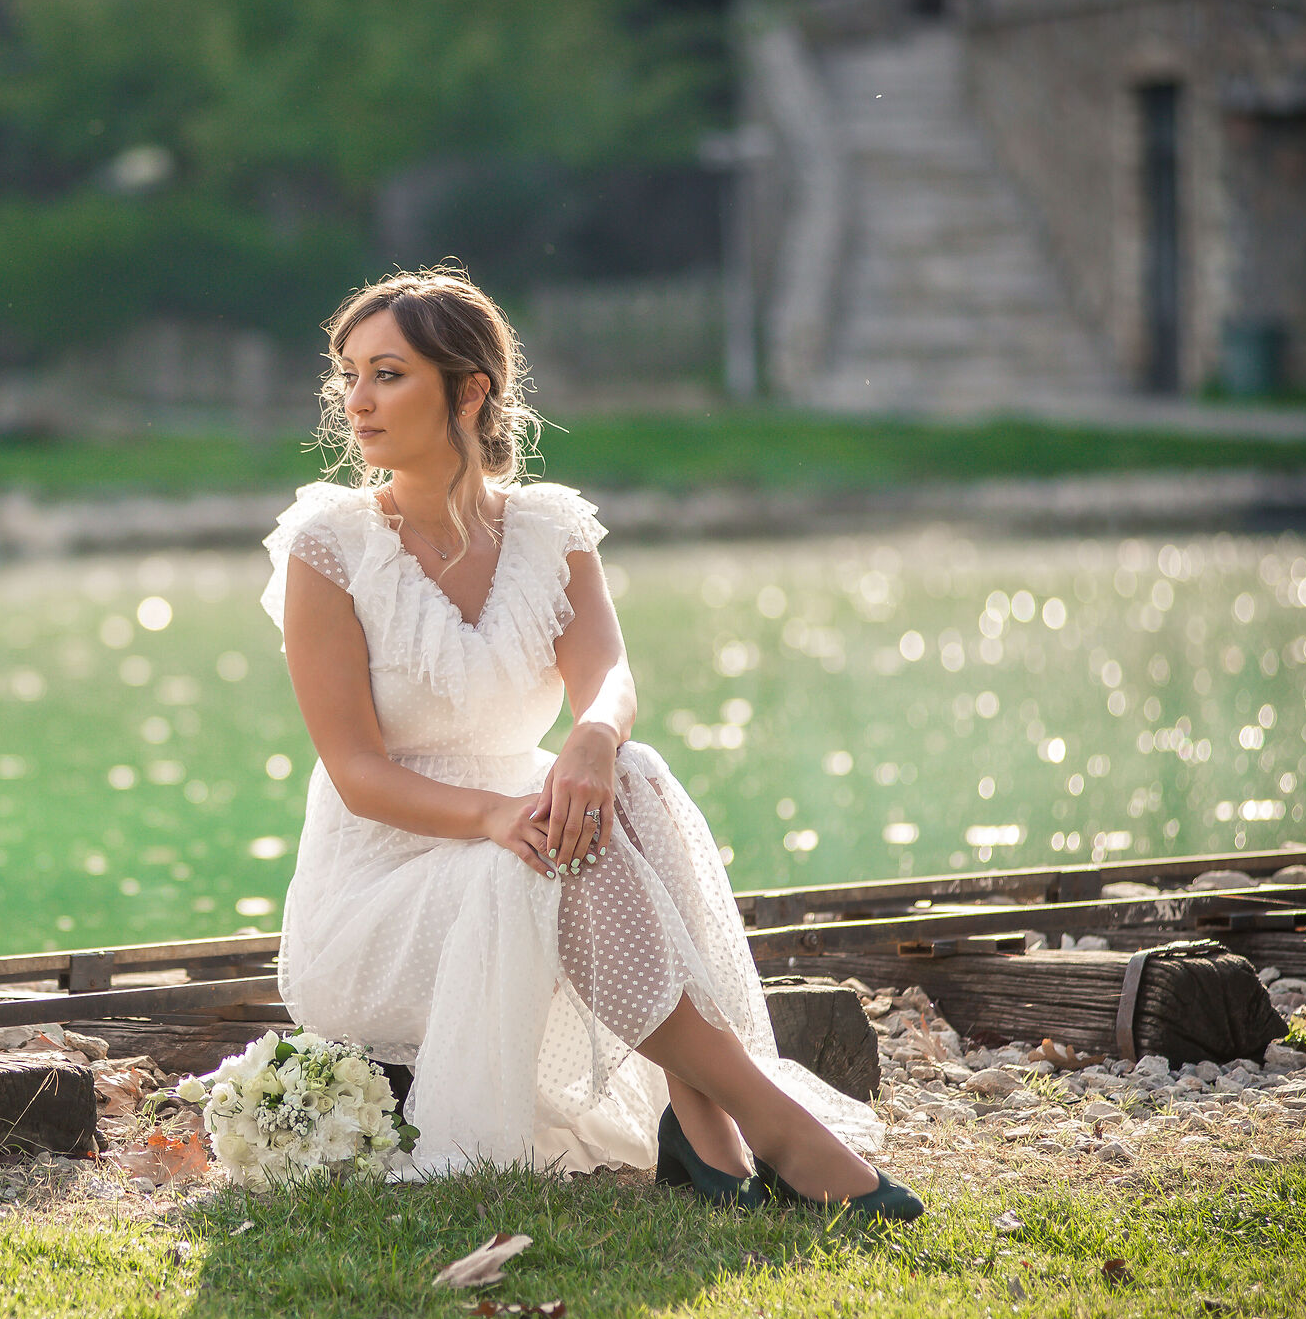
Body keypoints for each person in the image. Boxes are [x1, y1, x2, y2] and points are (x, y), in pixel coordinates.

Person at [263, 267, 918, 1218]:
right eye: (348, 374)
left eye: (389, 374)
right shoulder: (331, 546)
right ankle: (760, 1124)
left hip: (527, 832)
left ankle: (707, 1133)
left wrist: (594, 739)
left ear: (470, 389)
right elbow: (359, 775)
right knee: (547, 851)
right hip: (383, 890)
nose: (357, 401)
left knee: (632, 776)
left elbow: (607, 676)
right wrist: (497, 817)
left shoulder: (548, 528)